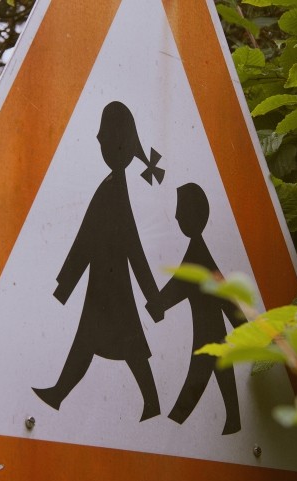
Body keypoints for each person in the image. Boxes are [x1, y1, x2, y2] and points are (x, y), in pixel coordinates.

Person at [33, 101, 164, 422]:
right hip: (103, 281)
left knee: (125, 344)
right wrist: (65, 283)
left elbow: (132, 246)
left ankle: (151, 403)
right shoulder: (110, 186)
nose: (96, 137)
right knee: (94, 340)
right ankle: (60, 393)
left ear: (115, 140)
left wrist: (153, 297)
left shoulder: (114, 190)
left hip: (112, 284)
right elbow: (86, 239)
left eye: (102, 133)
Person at [147, 183, 244, 435]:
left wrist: (156, 304)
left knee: (198, 379)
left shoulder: (198, 254)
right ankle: (233, 420)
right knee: (220, 370)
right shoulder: (199, 252)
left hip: (207, 333)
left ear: (193, 215)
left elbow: (181, 285)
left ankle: (173, 428)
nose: (177, 216)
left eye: (181, 210)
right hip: (211, 331)